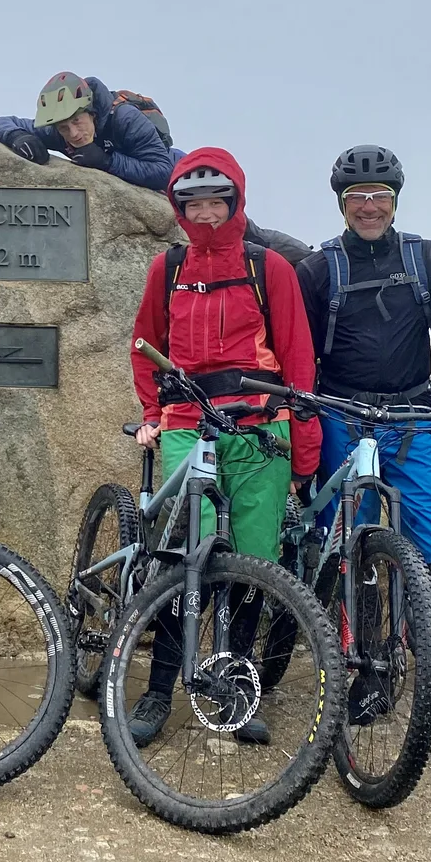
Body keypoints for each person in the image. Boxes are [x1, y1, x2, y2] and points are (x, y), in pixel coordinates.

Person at [293, 146, 431, 743]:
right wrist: (300, 417)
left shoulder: (426, 257)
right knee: (354, 541)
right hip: (343, 415)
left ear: (395, 201)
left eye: (380, 198)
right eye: (357, 199)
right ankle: (370, 674)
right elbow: (300, 350)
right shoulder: (320, 269)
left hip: (410, 414)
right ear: (342, 205)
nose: (369, 208)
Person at [126, 148, 322, 745]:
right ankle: (160, 688)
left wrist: (304, 451)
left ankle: (232, 686)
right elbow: (144, 344)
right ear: (178, 208)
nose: (206, 215)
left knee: (255, 561)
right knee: (192, 552)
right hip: (190, 422)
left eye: (217, 202)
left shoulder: (269, 268)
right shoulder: (168, 268)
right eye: (194, 204)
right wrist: (153, 413)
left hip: (261, 427)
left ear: (236, 202)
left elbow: (297, 360)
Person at [0, 71, 175, 192]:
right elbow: (2, 123)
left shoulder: (125, 119)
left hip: (173, 160)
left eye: (77, 121)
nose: (73, 134)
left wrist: (107, 161)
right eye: (64, 128)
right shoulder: (56, 130)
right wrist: (18, 137)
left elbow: (165, 172)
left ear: (92, 113)